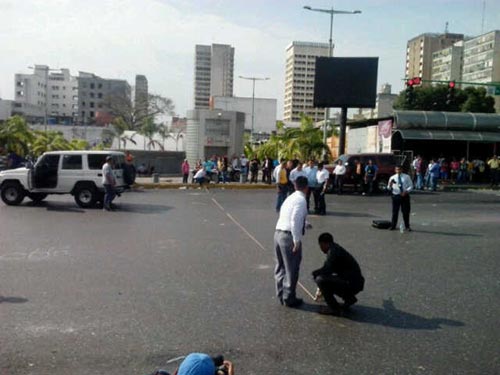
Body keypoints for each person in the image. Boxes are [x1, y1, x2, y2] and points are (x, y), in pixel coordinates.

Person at [274, 176, 310, 307]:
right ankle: (289, 298)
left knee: (280, 267)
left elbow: (288, 215)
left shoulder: (290, 197)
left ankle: (281, 294)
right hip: (288, 236)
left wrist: (305, 223)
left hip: (278, 233)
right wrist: (296, 240)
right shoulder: (301, 200)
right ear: (307, 187)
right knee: (292, 268)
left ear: (295, 186)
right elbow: (294, 219)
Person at [312, 232, 365, 316]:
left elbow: (326, 270)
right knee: (325, 278)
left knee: (320, 279)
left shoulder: (333, 252)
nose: (321, 248)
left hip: (352, 284)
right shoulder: (335, 248)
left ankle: (334, 309)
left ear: (325, 243)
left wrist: (315, 273)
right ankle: (349, 299)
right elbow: (328, 269)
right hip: (356, 282)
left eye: (320, 246)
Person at [387, 165, 414, 231]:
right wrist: (390, 185)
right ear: (395, 170)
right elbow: (388, 187)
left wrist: (406, 191)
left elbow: (411, 186)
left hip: (404, 196)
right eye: (397, 169)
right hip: (396, 196)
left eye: (399, 169)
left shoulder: (406, 177)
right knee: (395, 212)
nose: (398, 171)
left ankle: (407, 226)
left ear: (402, 170)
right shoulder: (392, 177)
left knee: (405, 212)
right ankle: (393, 225)